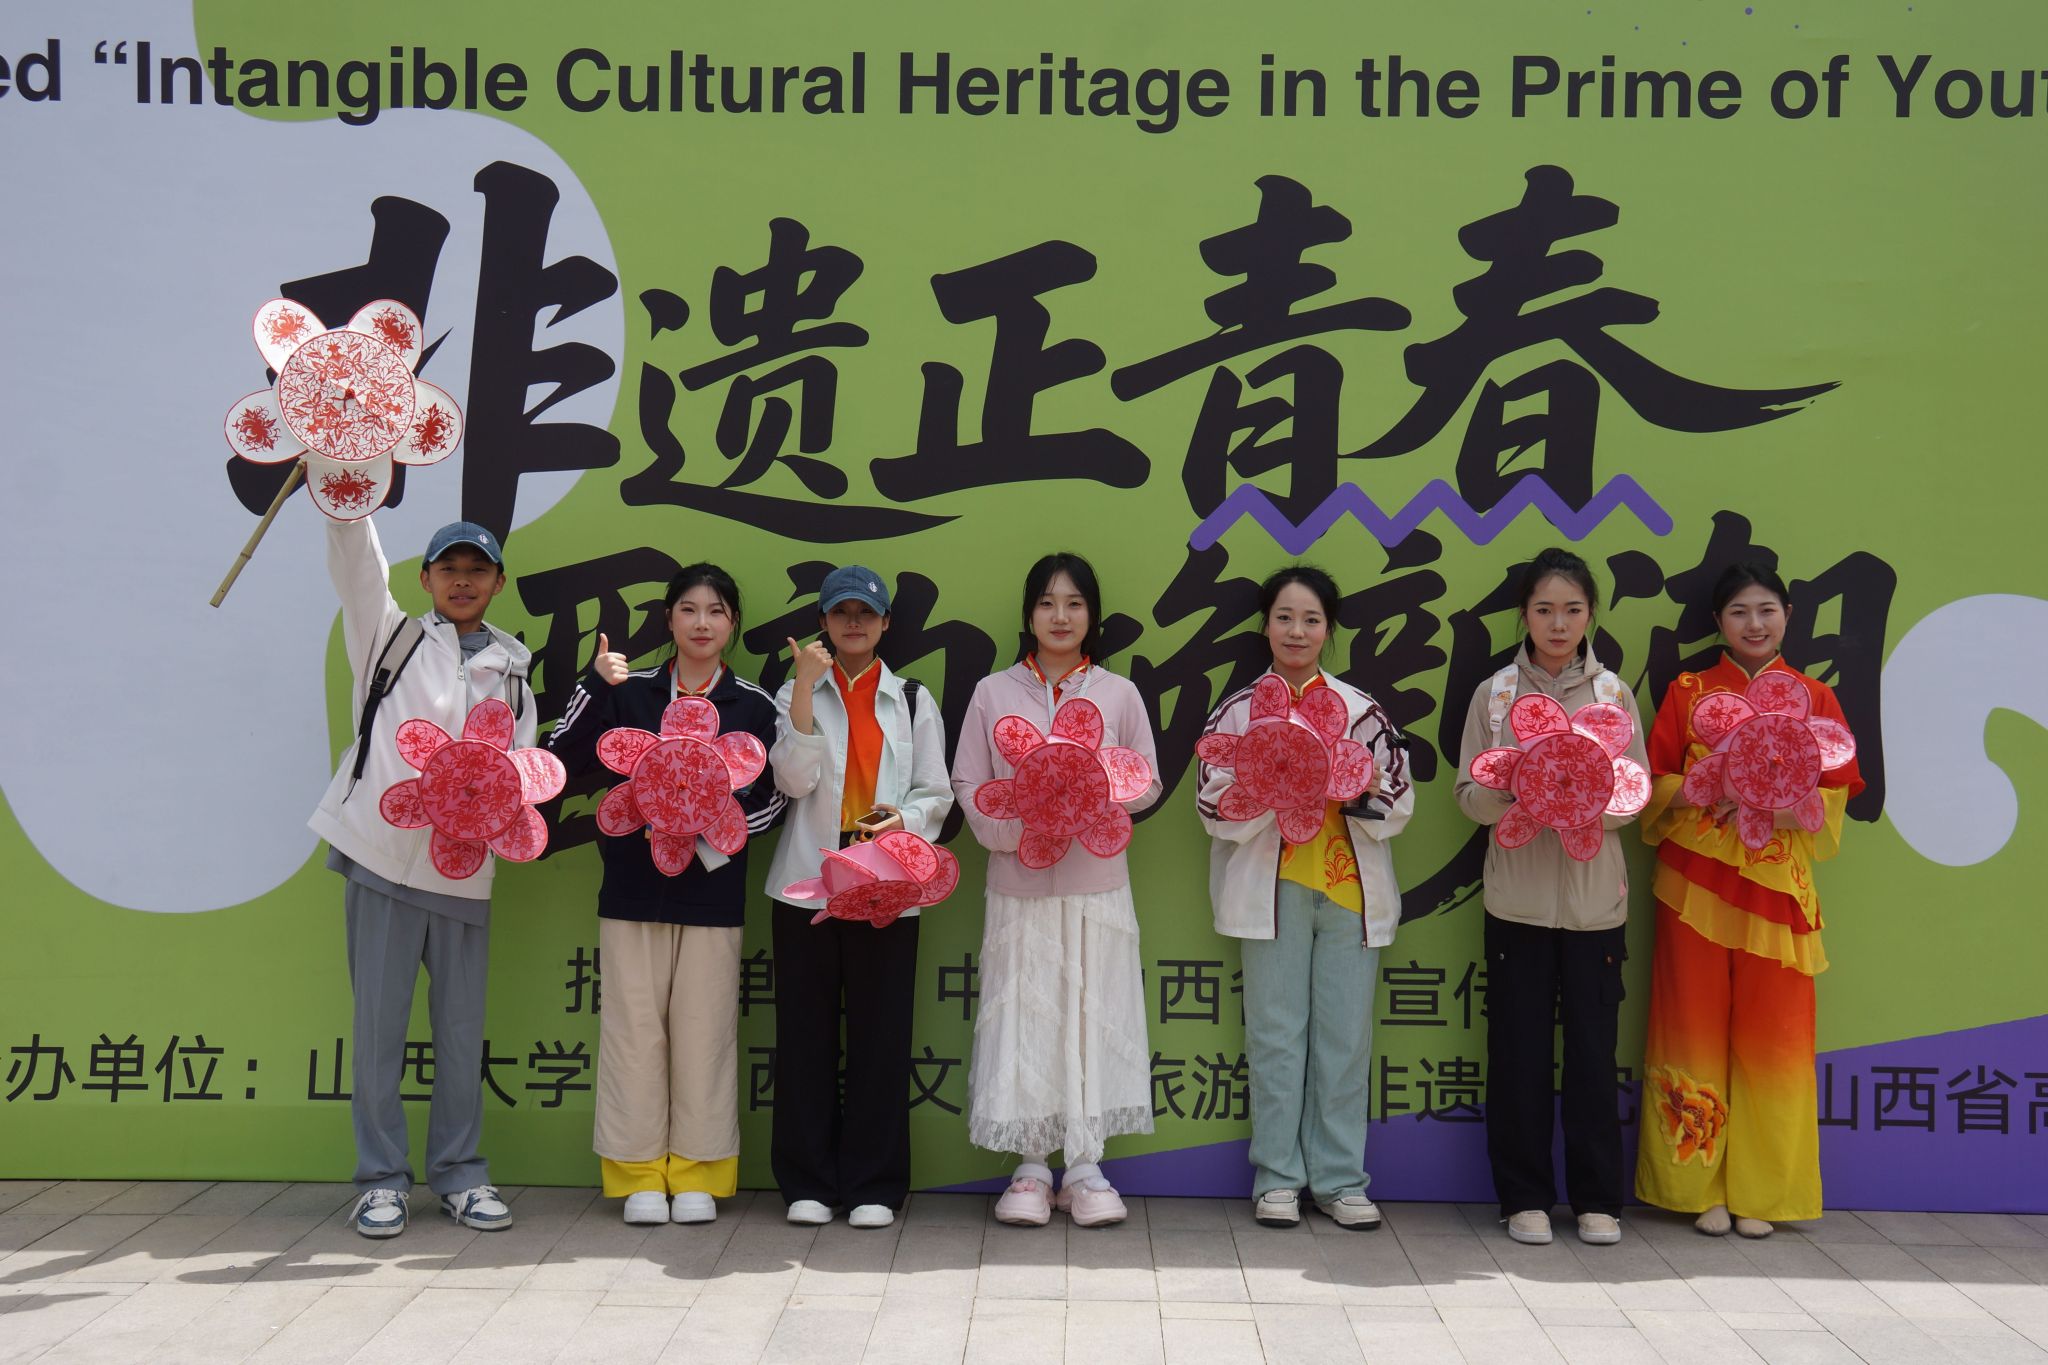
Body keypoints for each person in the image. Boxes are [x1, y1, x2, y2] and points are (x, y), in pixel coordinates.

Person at [308, 515, 532, 1239]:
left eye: (477, 570)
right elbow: (357, 564)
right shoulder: (389, 636)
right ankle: (381, 1180)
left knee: (461, 1035)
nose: (463, 581)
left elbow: (515, 776)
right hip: (380, 860)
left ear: (498, 582)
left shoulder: (514, 667)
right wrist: (348, 494)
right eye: (449, 569)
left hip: (463, 872)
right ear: (425, 578)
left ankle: (461, 1174)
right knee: (378, 1030)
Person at [547, 565, 785, 1225]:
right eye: (688, 609)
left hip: (713, 896)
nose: (702, 623)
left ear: (732, 623)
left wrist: (703, 837)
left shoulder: (754, 706)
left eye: (716, 611)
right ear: (669, 619)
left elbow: (772, 803)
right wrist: (593, 684)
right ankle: (638, 1173)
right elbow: (560, 759)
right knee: (632, 1032)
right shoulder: (630, 692)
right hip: (631, 890)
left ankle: (700, 1171)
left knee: (705, 1033)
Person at [1634, 563, 1862, 1239]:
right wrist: (1710, 787)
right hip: (1693, 885)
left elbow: (1835, 798)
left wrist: (1773, 803)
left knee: (1776, 1037)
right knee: (1689, 1023)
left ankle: (1763, 1191)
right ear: (1718, 622)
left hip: (1778, 891)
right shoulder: (1689, 690)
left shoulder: (1816, 697)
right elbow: (1650, 784)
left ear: (1788, 614)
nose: (1754, 624)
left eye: (1766, 609)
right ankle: (1694, 1186)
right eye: (1738, 612)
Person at [1198, 565, 1413, 1230]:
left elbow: (1400, 798)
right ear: (1265, 626)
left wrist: (1356, 787)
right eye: (1285, 617)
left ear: (1329, 629)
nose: (1297, 631)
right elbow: (1210, 806)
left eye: (1311, 619)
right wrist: (1276, 785)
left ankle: (1341, 1179)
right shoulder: (1238, 712)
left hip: (1348, 893)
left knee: (1344, 1042)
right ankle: (1278, 1179)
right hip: (1273, 893)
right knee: (1276, 1039)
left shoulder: (1361, 710)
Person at [953, 553, 1160, 1228]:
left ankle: (1086, 1166)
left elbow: (1147, 781)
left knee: (1091, 1015)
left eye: (1074, 603)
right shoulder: (993, 692)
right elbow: (968, 783)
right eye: (1047, 603)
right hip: (1020, 887)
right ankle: (1032, 1166)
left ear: (1092, 615)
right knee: (1026, 1016)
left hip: (1097, 889)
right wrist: (1021, 828)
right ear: (1028, 614)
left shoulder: (1118, 693)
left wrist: (1089, 807)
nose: (1060, 616)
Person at [1454, 547, 1649, 1248]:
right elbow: (1467, 794)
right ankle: (1524, 1197)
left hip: (1597, 909)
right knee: (1519, 1055)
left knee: (1594, 1056)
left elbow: (1635, 794)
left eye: (1572, 609)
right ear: (1524, 615)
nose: (1558, 623)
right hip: (1518, 905)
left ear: (1591, 614)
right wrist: (1520, 790)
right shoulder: (1495, 694)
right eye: (1544, 609)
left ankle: (1597, 1200)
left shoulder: (1614, 697)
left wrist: (1582, 800)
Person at [765, 565, 954, 1230]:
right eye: (841, 612)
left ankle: (875, 1182)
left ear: (885, 624)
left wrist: (904, 819)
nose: (854, 623)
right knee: (805, 1035)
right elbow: (792, 781)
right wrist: (804, 690)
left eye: (866, 613)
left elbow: (937, 792)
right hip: (806, 885)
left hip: (886, 885)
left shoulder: (912, 698)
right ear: (822, 622)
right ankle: (807, 1181)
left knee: (881, 1035)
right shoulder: (795, 689)